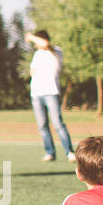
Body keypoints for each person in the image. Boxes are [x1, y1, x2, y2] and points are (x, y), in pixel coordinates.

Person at [27, 29, 75, 163]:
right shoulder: (37, 54)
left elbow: (45, 43)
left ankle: (69, 152)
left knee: (58, 123)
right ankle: (50, 152)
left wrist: (31, 37)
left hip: (51, 92)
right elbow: (32, 71)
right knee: (42, 125)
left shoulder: (56, 51)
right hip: (36, 94)